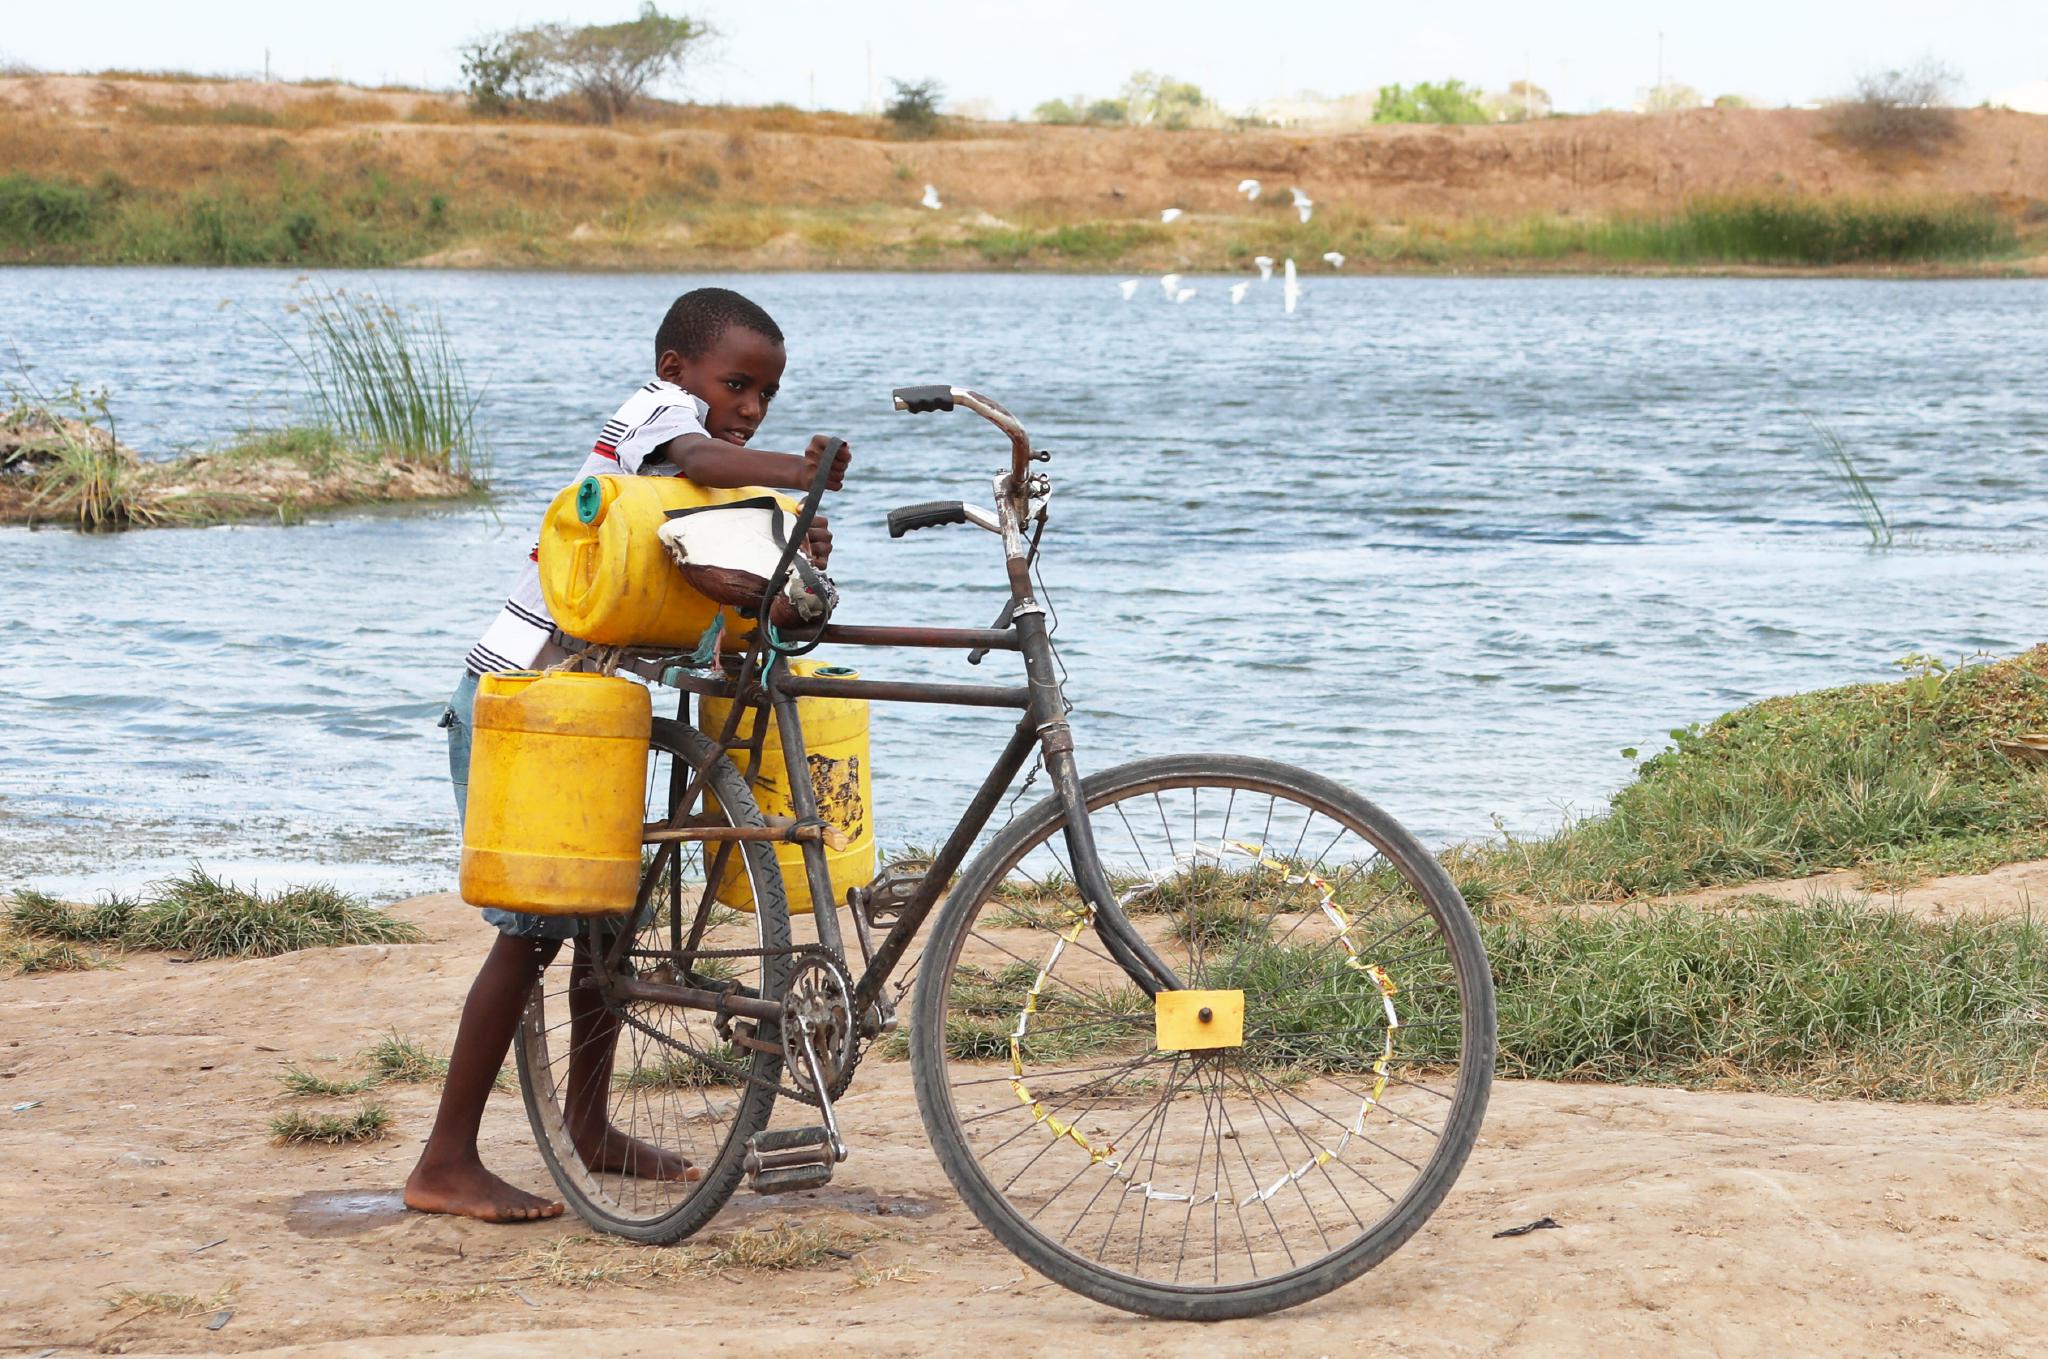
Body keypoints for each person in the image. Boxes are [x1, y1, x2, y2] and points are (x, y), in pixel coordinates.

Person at [405, 287, 851, 1223]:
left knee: (603, 915)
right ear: (676, 371)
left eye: (767, 394)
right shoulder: (654, 419)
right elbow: (703, 455)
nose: (750, 405)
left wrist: (788, 540)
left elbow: (703, 569)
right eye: (736, 383)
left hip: (590, 711)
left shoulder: (698, 482)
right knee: (531, 930)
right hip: (520, 700)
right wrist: (789, 468)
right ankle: (444, 1160)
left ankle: (591, 1121)